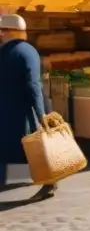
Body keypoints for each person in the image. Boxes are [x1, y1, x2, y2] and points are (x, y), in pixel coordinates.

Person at [0, 15, 56, 198]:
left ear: (6, 32)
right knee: (29, 148)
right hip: (23, 111)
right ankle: (44, 181)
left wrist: (41, 113)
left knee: (15, 149)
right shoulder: (28, 51)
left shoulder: (5, 52)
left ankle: (45, 181)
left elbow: (31, 85)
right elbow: (33, 85)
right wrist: (42, 112)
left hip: (10, 111)